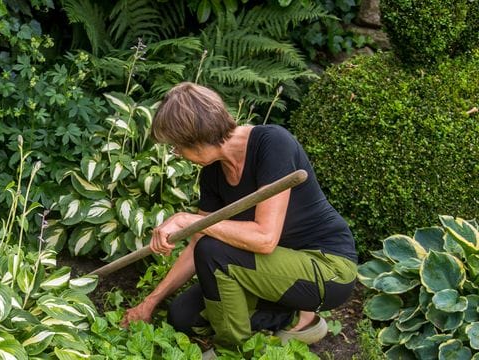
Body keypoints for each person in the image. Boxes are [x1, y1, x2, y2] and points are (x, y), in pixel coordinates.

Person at [120, 82, 358, 346]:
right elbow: (198, 242)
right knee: (183, 316)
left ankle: (232, 348)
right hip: (271, 273)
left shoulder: (273, 143)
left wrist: (189, 220)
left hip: (326, 268)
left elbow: (265, 238)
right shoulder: (212, 173)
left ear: (197, 139)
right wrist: (150, 302)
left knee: (215, 252)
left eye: (177, 146)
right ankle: (290, 317)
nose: (177, 154)